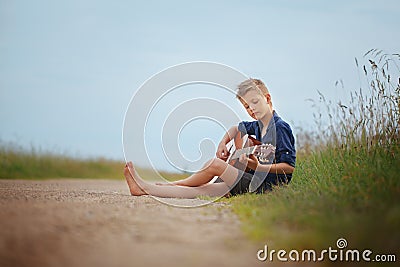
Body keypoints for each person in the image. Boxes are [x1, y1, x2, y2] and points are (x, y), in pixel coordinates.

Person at [124, 78, 296, 198]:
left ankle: (173, 184)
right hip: (251, 181)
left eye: (255, 102)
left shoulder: (280, 128)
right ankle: (146, 189)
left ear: (267, 98)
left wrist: (258, 166)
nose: (251, 109)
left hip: (267, 188)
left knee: (213, 164)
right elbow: (236, 128)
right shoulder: (258, 125)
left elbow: (289, 167)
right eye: (246, 106)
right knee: (202, 190)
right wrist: (223, 143)